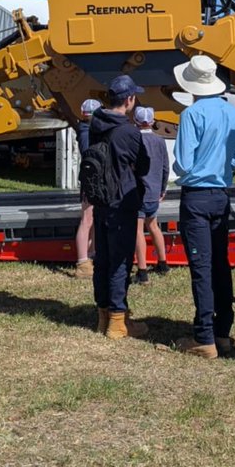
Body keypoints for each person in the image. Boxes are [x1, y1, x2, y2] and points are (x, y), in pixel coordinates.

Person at [169, 56, 235, 359]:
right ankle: (222, 331)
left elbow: (184, 162)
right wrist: (221, 163)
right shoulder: (234, 115)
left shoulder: (191, 115)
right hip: (221, 194)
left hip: (196, 196)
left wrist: (193, 166)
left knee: (201, 267)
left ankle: (204, 336)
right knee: (220, 263)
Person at [89, 75, 150, 339]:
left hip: (100, 199)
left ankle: (102, 316)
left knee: (102, 260)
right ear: (129, 100)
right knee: (120, 262)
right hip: (121, 199)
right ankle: (117, 320)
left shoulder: (95, 124)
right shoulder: (129, 131)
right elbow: (144, 165)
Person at [132, 106, 169, 285]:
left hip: (138, 192)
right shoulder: (160, 141)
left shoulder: (134, 140)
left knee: (138, 231)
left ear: (135, 121)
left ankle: (142, 270)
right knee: (153, 226)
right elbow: (165, 167)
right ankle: (162, 263)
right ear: (153, 121)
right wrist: (162, 189)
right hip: (155, 191)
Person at [73, 98, 102, 279]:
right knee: (87, 220)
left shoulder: (86, 130)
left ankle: (91, 256)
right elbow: (88, 154)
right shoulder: (86, 132)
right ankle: (82, 262)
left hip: (94, 180)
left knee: (93, 221)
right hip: (91, 181)